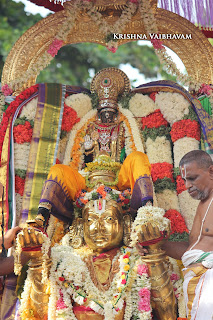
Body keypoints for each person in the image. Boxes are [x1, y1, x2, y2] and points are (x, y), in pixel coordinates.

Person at [16, 186, 176, 320]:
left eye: (108, 220)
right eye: (91, 220)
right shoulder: (63, 260)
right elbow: (39, 314)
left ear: (125, 223)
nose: (99, 227)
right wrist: (38, 263)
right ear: (80, 225)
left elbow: (168, 315)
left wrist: (154, 255)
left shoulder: (137, 259)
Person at [33, 68, 154, 230]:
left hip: (119, 182)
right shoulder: (86, 126)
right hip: (87, 182)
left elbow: (131, 151)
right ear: (98, 110)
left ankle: (148, 208)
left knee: (138, 157)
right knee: (58, 170)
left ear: (117, 110)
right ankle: (41, 217)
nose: (107, 116)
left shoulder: (126, 124)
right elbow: (77, 158)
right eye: (104, 112)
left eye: (111, 112)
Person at [163, 149, 213, 320]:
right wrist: (156, 244)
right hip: (195, 284)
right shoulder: (204, 203)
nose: (187, 186)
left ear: (211, 172)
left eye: (192, 178)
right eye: (184, 180)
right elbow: (192, 250)